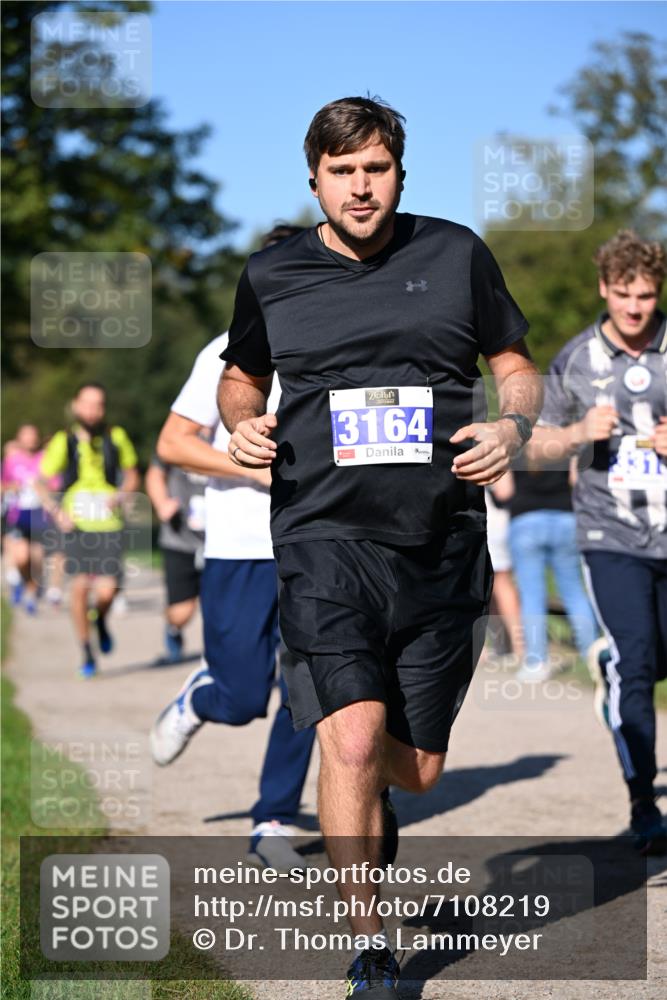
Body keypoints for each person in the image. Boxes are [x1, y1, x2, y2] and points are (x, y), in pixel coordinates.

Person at [218, 96, 543, 997]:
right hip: (322, 535)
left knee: (417, 769)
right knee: (352, 739)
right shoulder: (273, 273)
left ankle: (375, 798)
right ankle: (370, 945)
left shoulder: (455, 254)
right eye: (342, 172)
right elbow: (240, 379)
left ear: (399, 173)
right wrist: (241, 423)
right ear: (313, 179)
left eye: (375, 169)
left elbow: (515, 367)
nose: (360, 187)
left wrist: (511, 427)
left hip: (440, 541)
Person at [150, 224, 316, 872]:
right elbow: (172, 444)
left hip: (316, 544)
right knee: (244, 697)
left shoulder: (338, 350)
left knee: (308, 687)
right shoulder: (225, 351)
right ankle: (201, 697)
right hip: (240, 546)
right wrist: (250, 469)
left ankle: (272, 817)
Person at [533, 229, 666, 855]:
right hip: (608, 533)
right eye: (624, 294)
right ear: (604, 289)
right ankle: (644, 803)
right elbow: (536, 443)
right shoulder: (577, 359)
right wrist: (579, 433)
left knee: (646, 658)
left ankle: (611, 664)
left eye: (646, 295)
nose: (635, 308)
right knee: (637, 661)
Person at [38, 382, 140, 677]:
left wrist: (121, 495)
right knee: (80, 588)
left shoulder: (116, 436)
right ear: (76, 405)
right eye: (87, 404)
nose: (93, 411)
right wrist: (57, 512)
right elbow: (40, 481)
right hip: (76, 525)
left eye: (98, 405)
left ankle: (101, 621)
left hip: (109, 524)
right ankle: (86, 651)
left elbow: (132, 475)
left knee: (107, 591)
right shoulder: (64, 440)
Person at [499, 465, 600, 682]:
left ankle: (536, 663)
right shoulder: (566, 444)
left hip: (525, 519)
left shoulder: (514, 445)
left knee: (531, 596)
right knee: (574, 592)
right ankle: (593, 658)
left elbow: (504, 491)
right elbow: (576, 480)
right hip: (565, 517)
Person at [145, 453, 207, 663]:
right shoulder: (180, 436)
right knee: (182, 612)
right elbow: (155, 474)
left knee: (220, 607)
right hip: (179, 539)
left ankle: (219, 658)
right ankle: (173, 628)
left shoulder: (231, 438)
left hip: (220, 541)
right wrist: (161, 503)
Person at [2, 425, 51, 613]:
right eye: (26, 435)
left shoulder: (45, 459)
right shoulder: (12, 460)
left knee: (37, 558)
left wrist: (43, 487)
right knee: (22, 558)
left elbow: (56, 484)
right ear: (19, 438)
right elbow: (3, 484)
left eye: (32, 435)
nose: (30, 439)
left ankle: (31, 594)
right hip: (18, 514)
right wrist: (11, 487)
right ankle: (26, 584)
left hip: (40, 513)